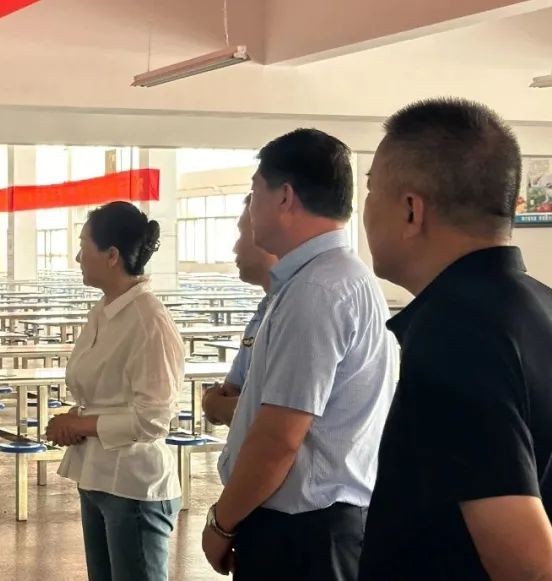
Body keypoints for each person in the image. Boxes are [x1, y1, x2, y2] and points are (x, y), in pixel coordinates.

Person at [359, 98, 552, 580]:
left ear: (411, 210)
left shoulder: (456, 335)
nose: (365, 210)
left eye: (371, 191)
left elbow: (526, 561)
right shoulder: (541, 305)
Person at [201, 129, 395, 580]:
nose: (251, 210)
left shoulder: (316, 290)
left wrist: (221, 523)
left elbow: (279, 439)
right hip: (312, 529)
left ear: (285, 197)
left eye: (255, 193)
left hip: (305, 536)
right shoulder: (331, 278)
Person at [45, 201, 184, 581]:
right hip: (97, 477)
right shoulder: (105, 311)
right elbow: (104, 394)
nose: (78, 257)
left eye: (83, 245)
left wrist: (80, 424)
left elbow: (154, 419)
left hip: (133, 486)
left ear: (111, 255)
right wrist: (74, 419)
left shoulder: (148, 320)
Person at [202, 195, 278, 427]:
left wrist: (215, 404)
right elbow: (232, 389)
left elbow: (270, 418)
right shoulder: (263, 311)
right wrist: (222, 405)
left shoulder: (300, 310)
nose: (235, 247)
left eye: (243, 234)